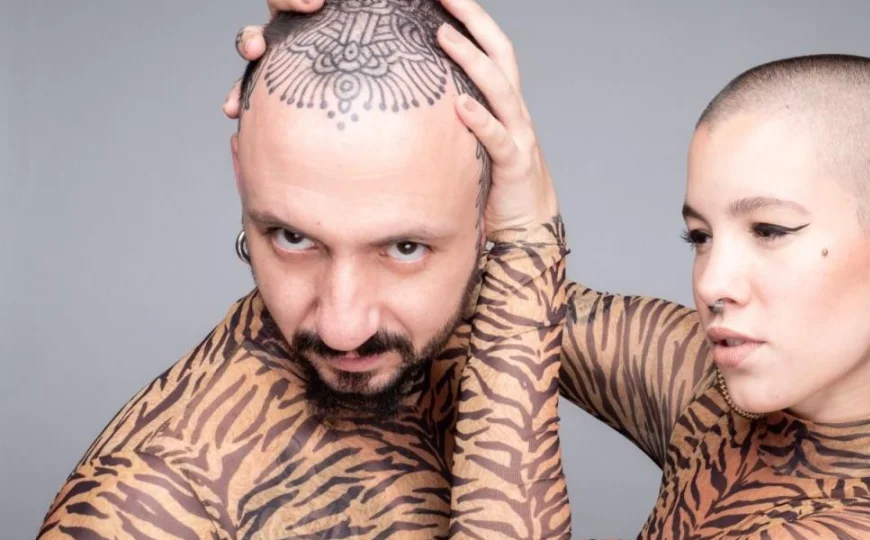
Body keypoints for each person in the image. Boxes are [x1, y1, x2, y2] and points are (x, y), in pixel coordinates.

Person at [225, 1, 870, 539]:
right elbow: (462, 304)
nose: (713, 282)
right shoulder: (713, 391)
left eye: (769, 230)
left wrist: (529, 234)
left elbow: (520, 295)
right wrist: (333, 67)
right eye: (700, 236)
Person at [36, 1, 572, 538]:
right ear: (242, 177)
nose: (343, 329)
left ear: (488, 206)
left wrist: (525, 247)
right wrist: (528, 247)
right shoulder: (137, 510)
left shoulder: (485, 317)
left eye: (405, 248)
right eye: (293, 239)